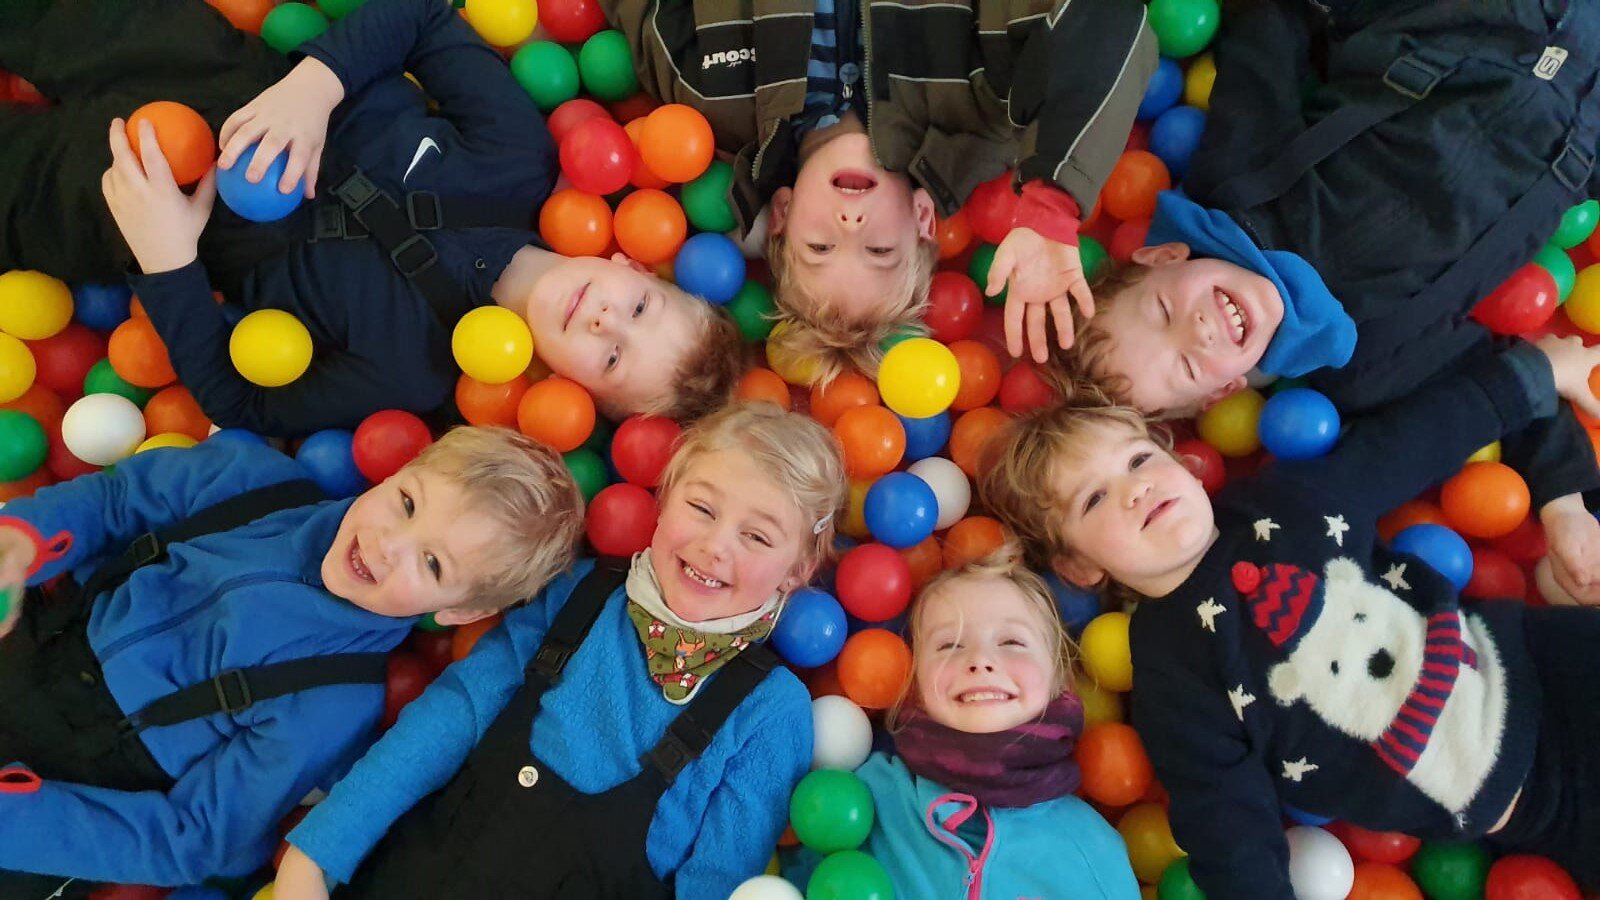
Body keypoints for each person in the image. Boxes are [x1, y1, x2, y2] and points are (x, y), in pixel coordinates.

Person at [982, 336, 1600, 895]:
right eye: (1094, 498)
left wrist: (1535, 374)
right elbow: (1223, 817)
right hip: (1529, 800)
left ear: (1183, 464)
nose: (1134, 489)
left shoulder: (1285, 501)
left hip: (1541, 662)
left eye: (1138, 460)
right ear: (1080, 566)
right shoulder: (1169, 670)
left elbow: (1408, 444)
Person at [1059, 0, 1600, 599]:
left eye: (1163, 312)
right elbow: (1487, 386)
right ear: (1224, 391)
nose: (1200, 329)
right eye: (1187, 365)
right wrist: (1564, 503)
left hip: (1489, 23)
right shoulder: (1364, 364)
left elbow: (1269, 37)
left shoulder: (1236, 181)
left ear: (1163, 257)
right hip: (1582, 140)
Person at [4, 0, 743, 436]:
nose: (605, 321)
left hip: (125, 205)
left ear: (571, 392)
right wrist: (313, 89)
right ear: (630, 264)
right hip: (201, 69)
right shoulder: (518, 159)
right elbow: (423, 17)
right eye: (639, 307)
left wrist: (168, 263)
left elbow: (241, 401)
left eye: (612, 358)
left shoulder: (411, 373)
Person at [272, 402, 849, 899]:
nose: (715, 545)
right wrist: (315, 855)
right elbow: (448, 721)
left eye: (757, 537)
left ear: (795, 571)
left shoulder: (771, 711)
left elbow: (719, 881)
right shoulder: (579, 595)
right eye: (701, 508)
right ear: (664, 499)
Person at [0, 426, 585, 896]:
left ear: (457, 612)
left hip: (71, 789)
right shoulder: (255, 482)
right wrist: (25, 543)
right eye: (407, 502)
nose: (388, 545)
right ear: (397, 470)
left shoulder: (332, 703)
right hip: (41, 632)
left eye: (432, 564)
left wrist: (22, 821)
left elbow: (197, 838)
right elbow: (116, 499)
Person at [599, 0, 1158, 383]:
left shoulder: (708, 93)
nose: (850, 228)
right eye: (879, 250)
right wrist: (1051, 204)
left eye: (819, 248)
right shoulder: (988, 108)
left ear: (784, 212)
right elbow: (1107, 20)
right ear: (923, 219)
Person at [788, 550, 1139, 898]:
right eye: (949, 645)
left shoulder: (1092, 849)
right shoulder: (861, 799)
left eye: (1012, 642)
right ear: (915, 683)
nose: (980, 659)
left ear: (1058, 680)